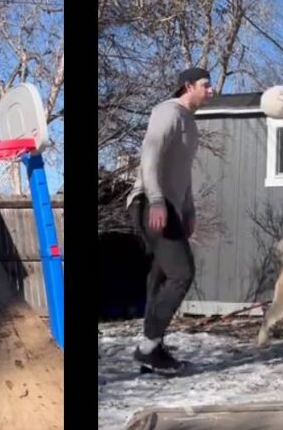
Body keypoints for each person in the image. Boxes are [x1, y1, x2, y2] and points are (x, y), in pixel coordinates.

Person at [126, 68, 214, 372]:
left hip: (171, 208)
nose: (211, 90)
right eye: (206, 85)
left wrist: (188, 211)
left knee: (160, 276)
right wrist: (157, 200)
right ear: (188, 86)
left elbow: (183, 173)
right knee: (181, 273)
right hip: (150, 203)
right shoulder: (167, 112)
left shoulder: (189, 122)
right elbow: (150, 156)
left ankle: (153, 350)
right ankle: (149, 347)